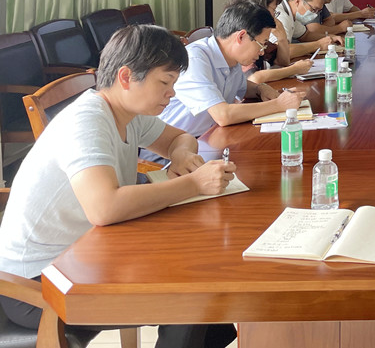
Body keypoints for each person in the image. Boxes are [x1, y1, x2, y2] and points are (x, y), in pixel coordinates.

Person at [0, 25, 237, 348]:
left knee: (208, 274)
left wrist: (181, 154)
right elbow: (105, 208)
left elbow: (180, 138)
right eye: (165, 83)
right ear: (126, 77)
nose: (172, 93)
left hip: (84, 254)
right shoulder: (87, 120)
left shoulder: (126, 112)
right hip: (37, 284)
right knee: (192, 295)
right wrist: (193, 183)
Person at [150, 1, 305, 144]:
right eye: (262, 44)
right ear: (241, 36)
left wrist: (260, 88)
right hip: (170, 149)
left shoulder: (231, 59)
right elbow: (223, 115)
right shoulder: (195, 59)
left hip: (207, 138)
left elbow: (243, 87)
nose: (262, 52)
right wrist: (279, 104)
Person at [225, 0, 315, 84]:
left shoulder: (260, 33)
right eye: (274, 10)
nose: (274, 15)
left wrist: (282, 39)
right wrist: (294, 69)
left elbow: (281, 62)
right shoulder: (245, 32)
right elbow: (253, 78)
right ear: (260, 7)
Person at [274, 0, 342, 56]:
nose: (315, 15)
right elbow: (282, 52)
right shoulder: (282, 17)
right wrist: (318, 45)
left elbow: (305, 35)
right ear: (298, 1)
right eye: (313, 9)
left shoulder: (291, 15)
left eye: (318, 11)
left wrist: (330, 38)